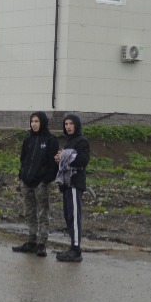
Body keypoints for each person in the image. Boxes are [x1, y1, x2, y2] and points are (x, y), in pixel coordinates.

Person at [13, 111, 59, 256]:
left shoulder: (51, 140)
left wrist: (45, 180)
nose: (34, 124)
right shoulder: (28, 139)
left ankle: (42, 243)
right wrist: (22, 176)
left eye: (37, 121)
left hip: (41, 184)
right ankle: (31, 240)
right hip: (26, 182)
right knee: (29, 212)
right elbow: (23, 159)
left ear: (43, 122)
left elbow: (53, 164)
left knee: (42, 213)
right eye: (32, 121)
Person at [54, 113, 91, 263]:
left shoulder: (82, 141)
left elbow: (83, 159)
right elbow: (66, 158)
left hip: (75, 183)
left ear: (76, 125)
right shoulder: (68, 142)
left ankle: (76, 250)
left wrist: (64, 156)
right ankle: (72, 247)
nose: (68, 127)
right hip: (67, 183)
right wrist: (60, 158)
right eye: (66, 124)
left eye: (71, 124)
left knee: (75, 217)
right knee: (68, 215)